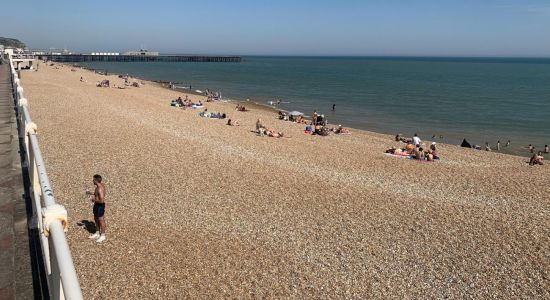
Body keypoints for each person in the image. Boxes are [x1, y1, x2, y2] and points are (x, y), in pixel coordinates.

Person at [86, 174, 107, 243]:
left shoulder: (100, 188)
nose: (92, 181)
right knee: (95, 218)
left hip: (100, 206)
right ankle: (97, 233)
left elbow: (102, 200)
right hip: (96, 205)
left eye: (93, 179)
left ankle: (103, 235)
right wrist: (91, 193)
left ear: (95, 180)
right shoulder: (98, 187)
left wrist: (94, 200)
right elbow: (96, 195)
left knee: (101, 220)